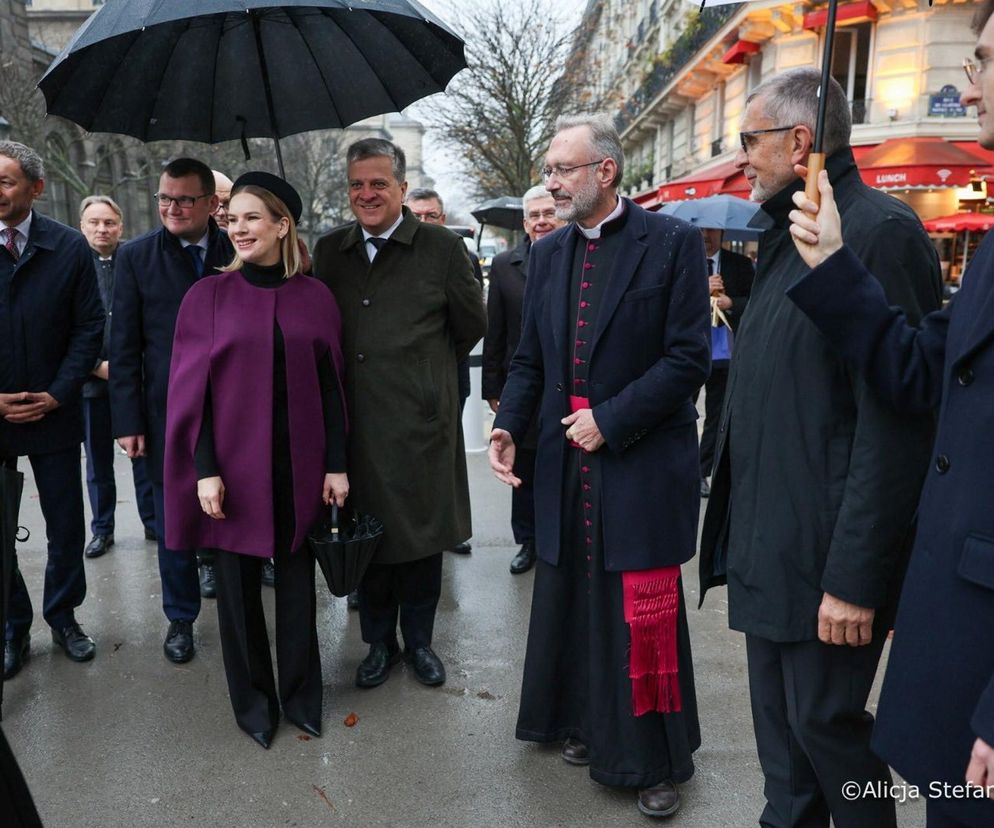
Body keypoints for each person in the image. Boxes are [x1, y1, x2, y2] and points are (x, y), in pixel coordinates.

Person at [697, 68, 943, 828]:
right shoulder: (784, 229)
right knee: (784, 752)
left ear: (799, 141)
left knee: (827, 732)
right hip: (769, 546)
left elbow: (898, 424)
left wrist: (856, 578)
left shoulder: (880, 232)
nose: (742, 157)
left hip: (826, 560)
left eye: (751, 139)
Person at [780, 6, 994, 823]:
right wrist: (833, 264)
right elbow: (915, 372)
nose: (967, 86)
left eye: (983, 61)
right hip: (958, 647)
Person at [489, 113, 709, 818]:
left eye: (562, 170)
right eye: (550, 171)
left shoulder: (672, 243)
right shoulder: (548, 252)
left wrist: (610, 420)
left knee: (638, 612)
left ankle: (653, 761)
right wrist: (506, 425)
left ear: (604, 172)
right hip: (565, 459)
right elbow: (529, 360)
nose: (551, 183)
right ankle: (586, 722)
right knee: (578, 600)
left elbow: (688, 359)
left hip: (639, 457)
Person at [164, 172, 347, 749]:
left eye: (250, 218)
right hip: (231, 469)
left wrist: (337, 464)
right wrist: (205, 469)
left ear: (282, 225)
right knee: (237, 593)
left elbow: (334, 388)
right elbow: (191, 395)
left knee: (296, 587)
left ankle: (301, 698)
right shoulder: (206, 297)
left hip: (300, 464)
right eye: (231, 219)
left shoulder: (316, 297)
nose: (238, 229)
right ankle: (253, 705)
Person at [313, 139, 486, 689]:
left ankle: (420, 643)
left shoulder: (440, 247)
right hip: (356, 425)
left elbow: (470, 324)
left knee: (420, 540)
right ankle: (378, 644)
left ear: (402, 189)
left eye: (378, 183)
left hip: (419, 423)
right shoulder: (330, 251)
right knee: (369, 538)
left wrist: (421, 374)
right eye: (357, 184)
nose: (366, 194)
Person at [110, 157, 234, 664]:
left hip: (234, 410)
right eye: (165, 198)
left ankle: (238, 613)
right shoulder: (137, 256)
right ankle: (180, 618)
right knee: (175, 521)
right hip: (167, 413)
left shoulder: (239, 248)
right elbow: (124, 346)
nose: (173, 208)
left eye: (185, 199)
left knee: (235, 513)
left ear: (211, 203)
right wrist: (128, 421)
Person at [0, 141, 104, 678]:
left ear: (36, 188)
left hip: (54, 410)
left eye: (5, 181)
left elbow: (89, 327)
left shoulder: (68, 246)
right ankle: (12, 627)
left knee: (65, 526)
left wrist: (59, 392)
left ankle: (63, 617)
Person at [482, 183, 564, 575]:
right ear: (525, 223)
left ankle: (559, 538)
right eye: (535, 215)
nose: (542, 221)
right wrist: (493, 389)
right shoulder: (505, 265)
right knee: (524, 466)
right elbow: (495, 331)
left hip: (565, 381)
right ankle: (527, 541)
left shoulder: (574, 257)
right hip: (523, 383)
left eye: (549, 213)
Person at [77, 195, 156, 559]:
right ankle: (102, 529)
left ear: (120, 226)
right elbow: (62, 324)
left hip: (134, 381)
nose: (102, 229)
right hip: (91, 382)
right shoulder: (74, 265)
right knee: (97, 463)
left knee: (142, 453)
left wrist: (130, 366)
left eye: (109, 222)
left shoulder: (135, 260)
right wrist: (95, 365)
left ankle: (153, 522)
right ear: (82, 226)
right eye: (94, 222)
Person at [406, 186, 483, 556]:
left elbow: (472, 319)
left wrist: (441, 358)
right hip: (401, 379)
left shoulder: (460, 254)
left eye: (431, 216)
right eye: (416, 216)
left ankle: (447, 528)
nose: (423, 222)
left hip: (449, 371)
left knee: (445, 453)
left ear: (443, 218)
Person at [697, 227, 753, 498]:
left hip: (725, 351)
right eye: (701, 230)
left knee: (716, 413)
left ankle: (702, 470)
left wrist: (731, 302)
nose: (706, 235)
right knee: (682, 411)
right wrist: (701, 288)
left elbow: (755, 300)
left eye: (711, 230)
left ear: (721, 231)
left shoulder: (739, 264)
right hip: (692, 349)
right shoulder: (685, 259)